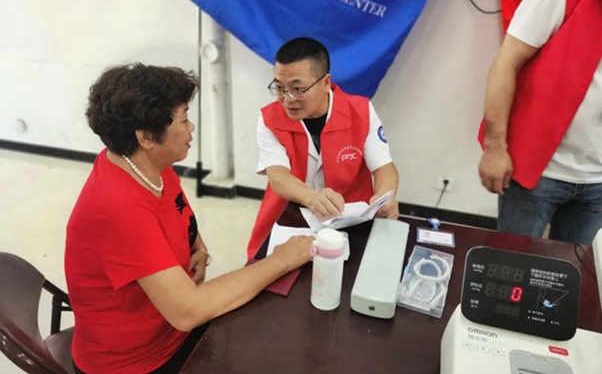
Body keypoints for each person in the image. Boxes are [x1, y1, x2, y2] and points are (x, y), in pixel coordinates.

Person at [65, 63, 314, 374]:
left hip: (168, 329)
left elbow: (179, 216)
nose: (191, 128)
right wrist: (282, 260)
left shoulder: (145, 166)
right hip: (137, 362)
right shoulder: (120, 207)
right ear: (146, 137)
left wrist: (199, 249)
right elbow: (188, 312)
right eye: (184, 119)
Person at [478, 0, 602, 245]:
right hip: (538, 171)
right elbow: (506, 64)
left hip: (598, 179)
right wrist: (494, 149)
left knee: (578, 270)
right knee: (512, 263)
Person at [248, 37, 400, 258]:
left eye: (298, 89)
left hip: (349, 217)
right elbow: (278, 177)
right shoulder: (269, 119)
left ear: (326, 82)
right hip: (292, 215)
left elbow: (384, 167)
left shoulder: (360, 111)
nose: (287, 99)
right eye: (280, 88)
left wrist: (384, 197)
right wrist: (312, 197)